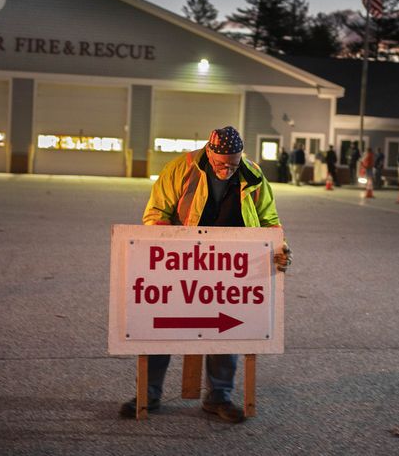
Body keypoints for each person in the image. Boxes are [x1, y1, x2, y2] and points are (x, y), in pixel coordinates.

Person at [119, 126, 292, 423]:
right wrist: (168, 247)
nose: (227, 169)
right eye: (221, 163)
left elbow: (269, 219)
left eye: (234, 164)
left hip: (229, 265)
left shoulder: (253, 174)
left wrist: (280, 247)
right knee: (162, 325)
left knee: (228, 329)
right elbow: (156, 213)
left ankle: (219, 396)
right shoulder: (180, 169)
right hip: (183, 261)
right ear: (209, 152)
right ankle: (148, 394)